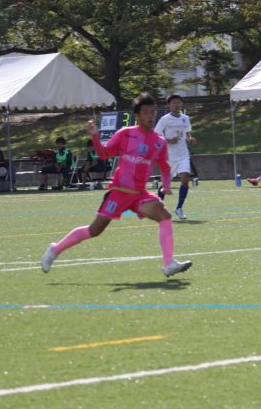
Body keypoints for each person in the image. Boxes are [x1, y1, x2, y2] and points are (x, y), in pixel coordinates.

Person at [40, 92, 192, 278]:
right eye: (145, 112)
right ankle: (55, 250)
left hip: (140, 194)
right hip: (119, 191)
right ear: (137, 115)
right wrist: (95, 136)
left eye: (153, 112)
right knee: (94, 230)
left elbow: (165, 167)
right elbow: (104, 154)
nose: (150, 116)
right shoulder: (125, 134)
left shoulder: (159, 142)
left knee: (165, 216)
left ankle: (168, 264)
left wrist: (166, 185)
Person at [154, 94, 195, 219]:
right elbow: (155, 135)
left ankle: (179, 208)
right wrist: (168, 140)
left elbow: (187, 132)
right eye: (173, 102)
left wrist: (190, 138)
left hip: (183, 154)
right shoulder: (165, 119)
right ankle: (158, 208)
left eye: (178, 102)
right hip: (169, 156)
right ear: (169, 105)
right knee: (166, 185)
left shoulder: (185, 118)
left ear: (181, 104)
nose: (176, 104)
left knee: (185, 177)